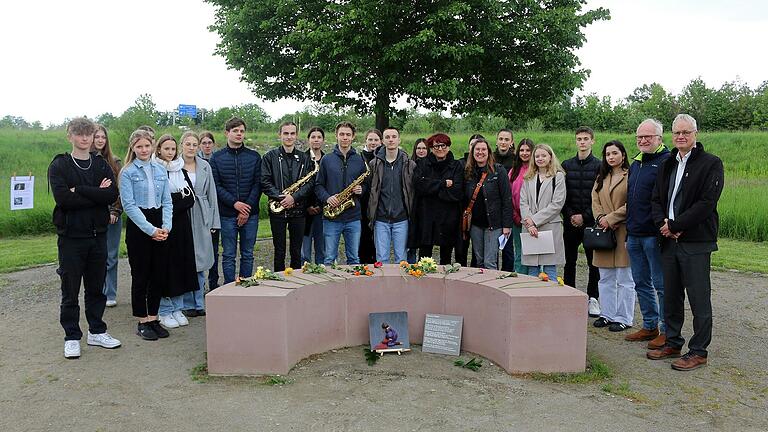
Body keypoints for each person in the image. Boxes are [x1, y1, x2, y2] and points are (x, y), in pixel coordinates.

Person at [647, 114, 724, 371]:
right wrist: (664, 225)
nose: (681, 136)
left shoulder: (710, 163)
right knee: (671, 295)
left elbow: (707, 202)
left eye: (686, 132)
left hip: (696, 241)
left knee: (699, 298)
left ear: (695, 134)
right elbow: (656, 199)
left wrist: (677, 225)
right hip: (669, 240)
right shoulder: (667, 163)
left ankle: (699, 350)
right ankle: (672, 341)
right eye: (677, 132)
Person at [49, 117, 122, 358]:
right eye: (79, 134)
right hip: (71, 237)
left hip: (97, 234)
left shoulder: (100, 164)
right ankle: (71, 335)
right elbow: (64, 200)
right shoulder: (60, 165)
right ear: (70, 136)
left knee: (96, 287)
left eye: (88, 134)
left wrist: (79, 189)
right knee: (70, 289)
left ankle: (97, 331)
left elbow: (111, 194)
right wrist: (95, 193)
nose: (84, 138)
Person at [120, 129, 172, 341]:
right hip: (140, 226)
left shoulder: (160, 170)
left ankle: (153, 317)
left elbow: (167, 201)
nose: (143, 150)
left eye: (147, 146)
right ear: (133, 148)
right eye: (139, 146)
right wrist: (150, 230)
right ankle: (142, 320)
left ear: (152, 147)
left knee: (158, 275)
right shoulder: (128, 172)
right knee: (141, 275)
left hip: (160, 224)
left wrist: (166, 227)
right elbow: (129, 206)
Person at [624, 119, 671, 349]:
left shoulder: (667, 162)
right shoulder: (636, 163)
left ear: (659, 139)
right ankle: (650, 325)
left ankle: (666, 329)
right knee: (641, 282)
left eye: (648, 137)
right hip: (633, 233)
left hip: (654, 235)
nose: (643, 140)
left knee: (661, 285)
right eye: (639, 137)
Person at [210, 117, 262, 284]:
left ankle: (246, 285)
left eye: (241, 131)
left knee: (247, 253)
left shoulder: (254, 157)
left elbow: (258, 184)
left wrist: (245, 209)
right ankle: (229, 288)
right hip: (227, 214)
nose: (239, 134)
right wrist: (235, 204)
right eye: (235, 131)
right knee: (228, 254)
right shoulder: (216, 158)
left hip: (250, 215)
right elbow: (216, 186)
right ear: (227, 133)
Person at [154, 134, 197, 330]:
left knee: (182, 265)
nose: (170, 153)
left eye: (173, 149)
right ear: (159, 150)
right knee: (165, 266)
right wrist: (178, 199)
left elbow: (190, 199)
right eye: (166, 149)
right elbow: (160, 202)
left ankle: (177, 307)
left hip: (182, 226)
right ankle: (164, 309)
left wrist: (175, 200)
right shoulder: (155, 170)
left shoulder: (181, 170)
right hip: (163, 225)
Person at [591, 140, 634, 332]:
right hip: (604, 231)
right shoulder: (601, 177)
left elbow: (633, 201)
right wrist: (601, 218)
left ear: (623, 155)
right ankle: (607, 314)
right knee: (605, 277)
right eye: (608, 154)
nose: (611, 157)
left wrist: (612, 218)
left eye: (615, 153)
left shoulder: (630, 175)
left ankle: (624, 317)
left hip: (622, 230)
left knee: (625, 278)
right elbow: (595, 200)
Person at [262, 121, 314, 271]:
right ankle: (279, 281)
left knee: (296, 251)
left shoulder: (305, 158)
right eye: (286, 133)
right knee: (279, 250)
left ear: (296, 135)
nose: (289, 136)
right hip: (277, 209)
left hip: (298, 210)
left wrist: (294, 198)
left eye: (292, 133)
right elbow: (264, 181)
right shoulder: (269, 157)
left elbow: (310, 183)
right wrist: (282, 198)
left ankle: (296, 282)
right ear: (280, 135)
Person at [315, 121, 368, 265]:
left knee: (354, 258)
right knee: (329, 259)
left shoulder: (360, 160)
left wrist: (361, 189)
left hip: (353, 217)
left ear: (353, 137)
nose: (345, 137)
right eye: (342, 134)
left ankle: (353, 287)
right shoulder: (326, 159)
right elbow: (318, 185)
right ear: (336, 136)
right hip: (332, 217)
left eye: (348, 135)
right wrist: (327, 198)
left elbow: (366, 185)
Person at [562, 126, 602, 317]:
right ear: (576, 141)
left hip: (591, 222)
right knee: (569, 261)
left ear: (592, 141)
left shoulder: (600, 166)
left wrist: (585, 217)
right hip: (570, 222)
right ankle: (570, 295)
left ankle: (593, 298)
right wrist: (570, 215)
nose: (582, 142)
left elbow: (600, 197)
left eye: (586, 138)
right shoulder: (566, 165)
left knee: (593, 263)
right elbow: (562, 195)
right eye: (579, 139)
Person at [180, 132, 219, 317]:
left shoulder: (205, 166)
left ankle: (199, 301)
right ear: (182, 145)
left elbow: (212, 194)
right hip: (182, 214)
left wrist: (213, 221)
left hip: (202, 212)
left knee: (202, 258)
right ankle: (187, 302)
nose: (191, 147)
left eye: (194, 144)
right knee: (185, 257)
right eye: (188, 143)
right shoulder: (174, 166)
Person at [411, 133, 464, 265]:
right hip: (427, 215)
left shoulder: (456, 166)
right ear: (431, 148)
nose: (440, 149)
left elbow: (457, 191)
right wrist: (442, 184)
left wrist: (432, 189)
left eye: (443, 145)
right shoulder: (423, 164)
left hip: (448, 216)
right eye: (436, 146)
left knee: (446, 257)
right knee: (424, 255)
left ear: (448, 146)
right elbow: (419, 185)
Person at [367, 127, 416, 264]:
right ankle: (384, 286)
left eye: (394, 136)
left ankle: (401, 286)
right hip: (381, 219)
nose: (391, 140)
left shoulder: (409, 164)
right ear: (382, 141)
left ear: (399, 139)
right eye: (387, 137)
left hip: (402, 219)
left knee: (401, 259)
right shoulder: (374, 164)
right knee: (382, 260)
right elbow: (371, 191)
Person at [463, 138, 513, 269]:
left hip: (493, 224)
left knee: (490, 262)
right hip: (475, 225)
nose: (480, 152)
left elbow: (507, 199)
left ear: (489, 152)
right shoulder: (468, 172)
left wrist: (507, 225)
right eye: (477, 149)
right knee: (478, 261)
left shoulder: (498, 171)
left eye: (483, 149)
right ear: (472, 152)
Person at [520, 144, 566, 281]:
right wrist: (530, 224)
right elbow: (523, 202)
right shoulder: (528, 177)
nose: (540, 158)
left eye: (543, 155)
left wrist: (534, 220)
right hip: (530, 229)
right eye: (537, 156)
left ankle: (550, 300)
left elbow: (557, 204)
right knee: (532, 268)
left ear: (550, 157)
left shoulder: (558, 177)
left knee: (549, 268)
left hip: (550, 226)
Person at [91, 124, 122, 307]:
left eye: (103, 137)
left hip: (112, 215)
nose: (100, 140)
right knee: (95, 256)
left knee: (111, 256)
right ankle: (96, 292)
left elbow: (120, 189)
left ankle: (110, 293)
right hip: (92, 215)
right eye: (97, 137)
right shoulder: (85, 161)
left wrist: (115, 210)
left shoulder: (115, 162)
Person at [455, 134, 485, 267]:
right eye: (473, 145)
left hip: (478, 212)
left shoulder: (485, 167)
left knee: (478, 249)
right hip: (462, 211)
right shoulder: (460, 164)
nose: (476, 149)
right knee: (461, 245)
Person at [198, 131, 221, 290]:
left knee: (214, 249)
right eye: (204, 143)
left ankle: (213, 282)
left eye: (209, 143)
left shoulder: (217, 160)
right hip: (200, 208)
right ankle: (198, 285)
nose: (207, 145)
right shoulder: (195, 161)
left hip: (216, 206)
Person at [508, 138, 533, 274]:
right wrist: (515, 216)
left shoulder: (537, 170)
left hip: (534, 220)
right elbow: (509, 196)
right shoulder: (513, 172)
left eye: (528, 150)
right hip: (517, 220)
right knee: (520, 253)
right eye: (522, 150)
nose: (524, 153)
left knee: (533, 254)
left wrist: (532, 219)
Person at [302, 127, 326, 265]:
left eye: (319, 137)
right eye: (313, 137)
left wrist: (320, 206)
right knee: (304, 253)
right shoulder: (302, 159)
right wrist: (307, 206)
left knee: (321, 250)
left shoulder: (328, 160)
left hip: (322, 211)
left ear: (323, 140)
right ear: (308, 140)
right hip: (304, 213)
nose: (316, 140)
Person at [494, 129, 517, 271]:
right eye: (501, 139)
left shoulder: (516, 160)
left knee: (508, 249)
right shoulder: (490, 158)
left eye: (506, 139)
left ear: (511, 142)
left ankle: (508, 274)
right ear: (497, 141)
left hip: (510, 207)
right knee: (493, 249)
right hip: (493, 207)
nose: (503, 142)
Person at [358, 129, 381, 264]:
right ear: (365, 141)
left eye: (376, 140)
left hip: (378, 203)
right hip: (363, 203)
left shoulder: (383, 157)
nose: (373, 143)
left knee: (377, 237)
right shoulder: (359, 157)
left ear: (381, 141)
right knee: (364, 236)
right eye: (370, 140)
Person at [407, 138, 429, 263]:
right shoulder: (410, 164)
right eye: (419, 148)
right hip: (412, 206)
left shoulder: (430, 165)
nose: (421, 151)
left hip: (425, 207)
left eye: (424, 148)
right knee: (411, 241)